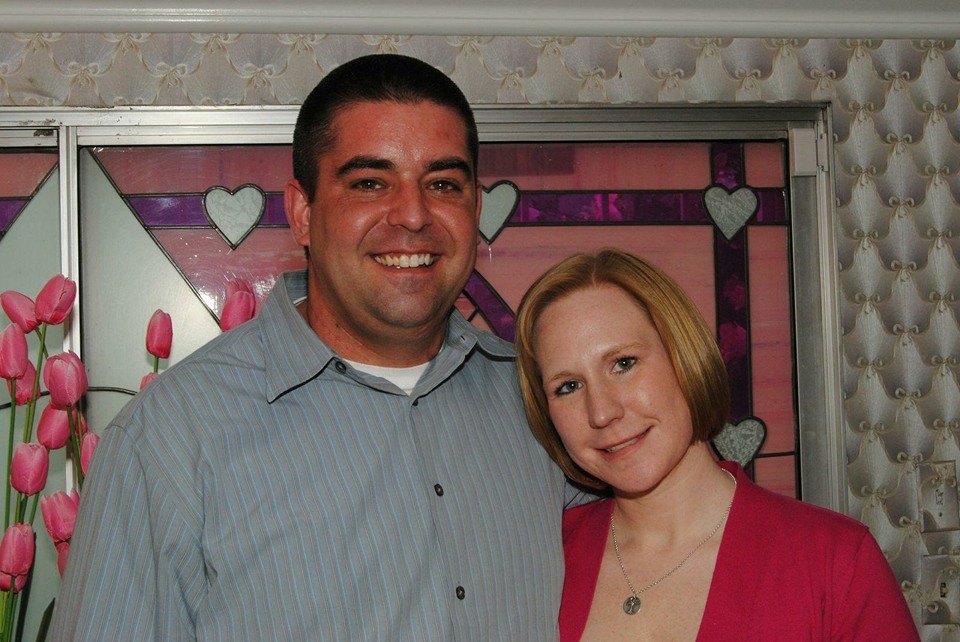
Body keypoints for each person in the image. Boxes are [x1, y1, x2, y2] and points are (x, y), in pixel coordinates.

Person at [50, 54, 566, 641]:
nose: (413, 215)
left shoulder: (547, 402)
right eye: (369, 183)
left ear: (474, 208)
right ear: (302, 212)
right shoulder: (169, 440)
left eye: (443, 184)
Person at [514, 248, 918, 641]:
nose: (601, 412)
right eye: (568, 386)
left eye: (623, 363)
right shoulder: (542, 559)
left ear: (683, 356)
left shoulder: (835, 561)